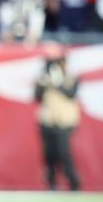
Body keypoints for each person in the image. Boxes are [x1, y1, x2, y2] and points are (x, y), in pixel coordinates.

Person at [34, 47, 81, 191]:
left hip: (65, 121)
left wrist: (57, 82)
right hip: (48, 120)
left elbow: (70, 93)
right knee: (49, 154)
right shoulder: (44, 79)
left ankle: (73, 182)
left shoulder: (70, 78)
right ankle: (52, 183)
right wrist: (44, 81)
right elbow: (37, 97)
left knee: (63, 152)